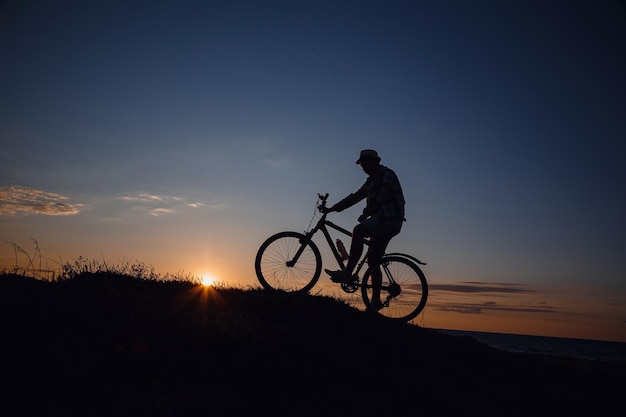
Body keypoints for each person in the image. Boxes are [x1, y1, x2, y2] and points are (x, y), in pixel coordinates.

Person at [323, 149, 405, 310]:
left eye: (365, 163)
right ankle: (375, 302)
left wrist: (365, 213)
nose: (363, 167)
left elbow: (380, 198)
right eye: (361, 165)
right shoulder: (371, 180)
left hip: (389, 219)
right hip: (384, 221)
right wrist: (333, 208)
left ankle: (348, 272)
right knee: (373, 261)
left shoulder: (387, 174)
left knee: (358, 231)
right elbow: (356, 196)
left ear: (375, 161)